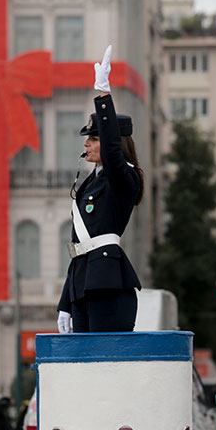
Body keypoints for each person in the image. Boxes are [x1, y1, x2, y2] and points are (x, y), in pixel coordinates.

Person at [57, 45, 144, 333]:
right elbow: (80, 246)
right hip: (82, 283)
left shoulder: (124, 178)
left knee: (106, 361)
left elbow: (113, 155)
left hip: (108, 281)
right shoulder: (91, 183)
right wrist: (65, 303)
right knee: (84, 367)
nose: (87, 144)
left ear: (111, 144)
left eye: (94, 138)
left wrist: (103, 97)